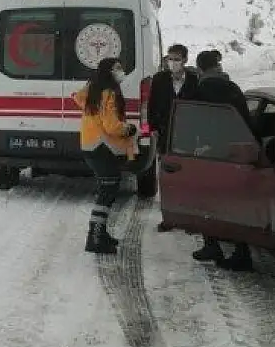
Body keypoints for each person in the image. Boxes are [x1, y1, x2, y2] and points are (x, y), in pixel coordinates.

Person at [189, 49, 256, 271]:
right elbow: (245, 120)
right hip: (236, 152)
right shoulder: (233, 88)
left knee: (207, 201)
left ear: (200, 69)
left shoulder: (199, 90)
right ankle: (241, 251)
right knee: (233, 202)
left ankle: (212, 244)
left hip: (210, 154)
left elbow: (194, 125)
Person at [72, 57, 137, 255]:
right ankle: (95, 238)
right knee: (107, 193)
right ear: (108, 72)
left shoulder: (92, 91)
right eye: (117, 68)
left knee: (105, 191)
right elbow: (111, 126)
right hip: (104, 148)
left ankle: (100, 234)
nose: (121, 70)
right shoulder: (108, 93)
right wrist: (129, 129)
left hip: (92, 146)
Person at [148, 44, 199, 151]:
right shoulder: (159, 78)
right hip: (164, 130)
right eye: (170, 59)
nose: (173, 63)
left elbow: (198, 107)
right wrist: (153, 127)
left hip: (187, 133)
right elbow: (152, 104)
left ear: (185, 60)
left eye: (177, 59)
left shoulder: (194, 80)